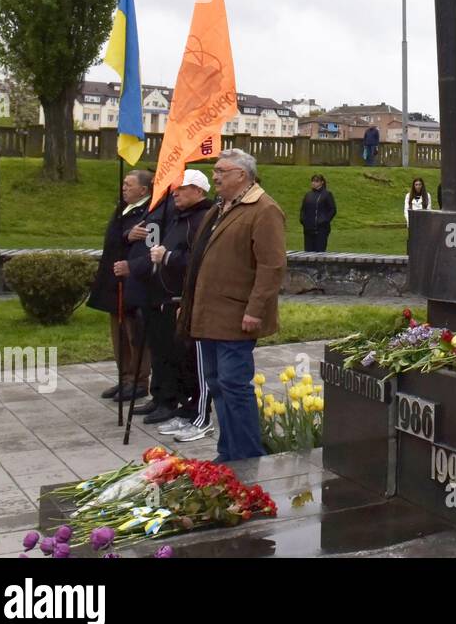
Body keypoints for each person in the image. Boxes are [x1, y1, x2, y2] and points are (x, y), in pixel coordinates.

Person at [179, 149, 286, 462]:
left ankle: (247, 456)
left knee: (234, 385)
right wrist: (188, 304)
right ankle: (228, 452)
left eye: (221, 171)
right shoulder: (220, 207)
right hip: (210, 313)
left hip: (237, 315)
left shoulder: (263, 209)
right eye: (215, 171)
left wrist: (255, 309)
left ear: (242, 174)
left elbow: (272, 266)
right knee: (217, 384)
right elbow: (201, 257)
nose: (215, 177)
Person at [134, 169, 216, 441]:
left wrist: (167, 257)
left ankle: (193, 409)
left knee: (188, 359)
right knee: (169, 354)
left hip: (184, 298)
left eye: (181, 188)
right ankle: (180, 406)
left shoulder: (202, 218)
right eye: (174, 189)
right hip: (164, 296)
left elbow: (198, 258)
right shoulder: (180, 217)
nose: (175, 193)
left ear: (198, 191)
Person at [86, 169, 152, 403]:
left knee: (135, 333)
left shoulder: (148, 212)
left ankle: (139, 380)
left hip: (132, 281)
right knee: (119, 332)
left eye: (128, 185)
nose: (123, 188)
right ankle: (124, 377)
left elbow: (145, 246)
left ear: (143, 190)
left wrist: (128, 237)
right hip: (114, 280)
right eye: (123, 184)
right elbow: (115, 237)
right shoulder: (123, 208)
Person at [300, 174, 337, 251]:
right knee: (308, 252)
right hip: (308, 229)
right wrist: (303, 220)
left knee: (319, 252)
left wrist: (324, 220)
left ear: (322, 182)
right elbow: (303, 209)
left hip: (321, 229)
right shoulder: (308, 195)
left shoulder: (326, 194)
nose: (314, 183)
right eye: (313, 181)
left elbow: (332, 210)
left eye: (316, 181)